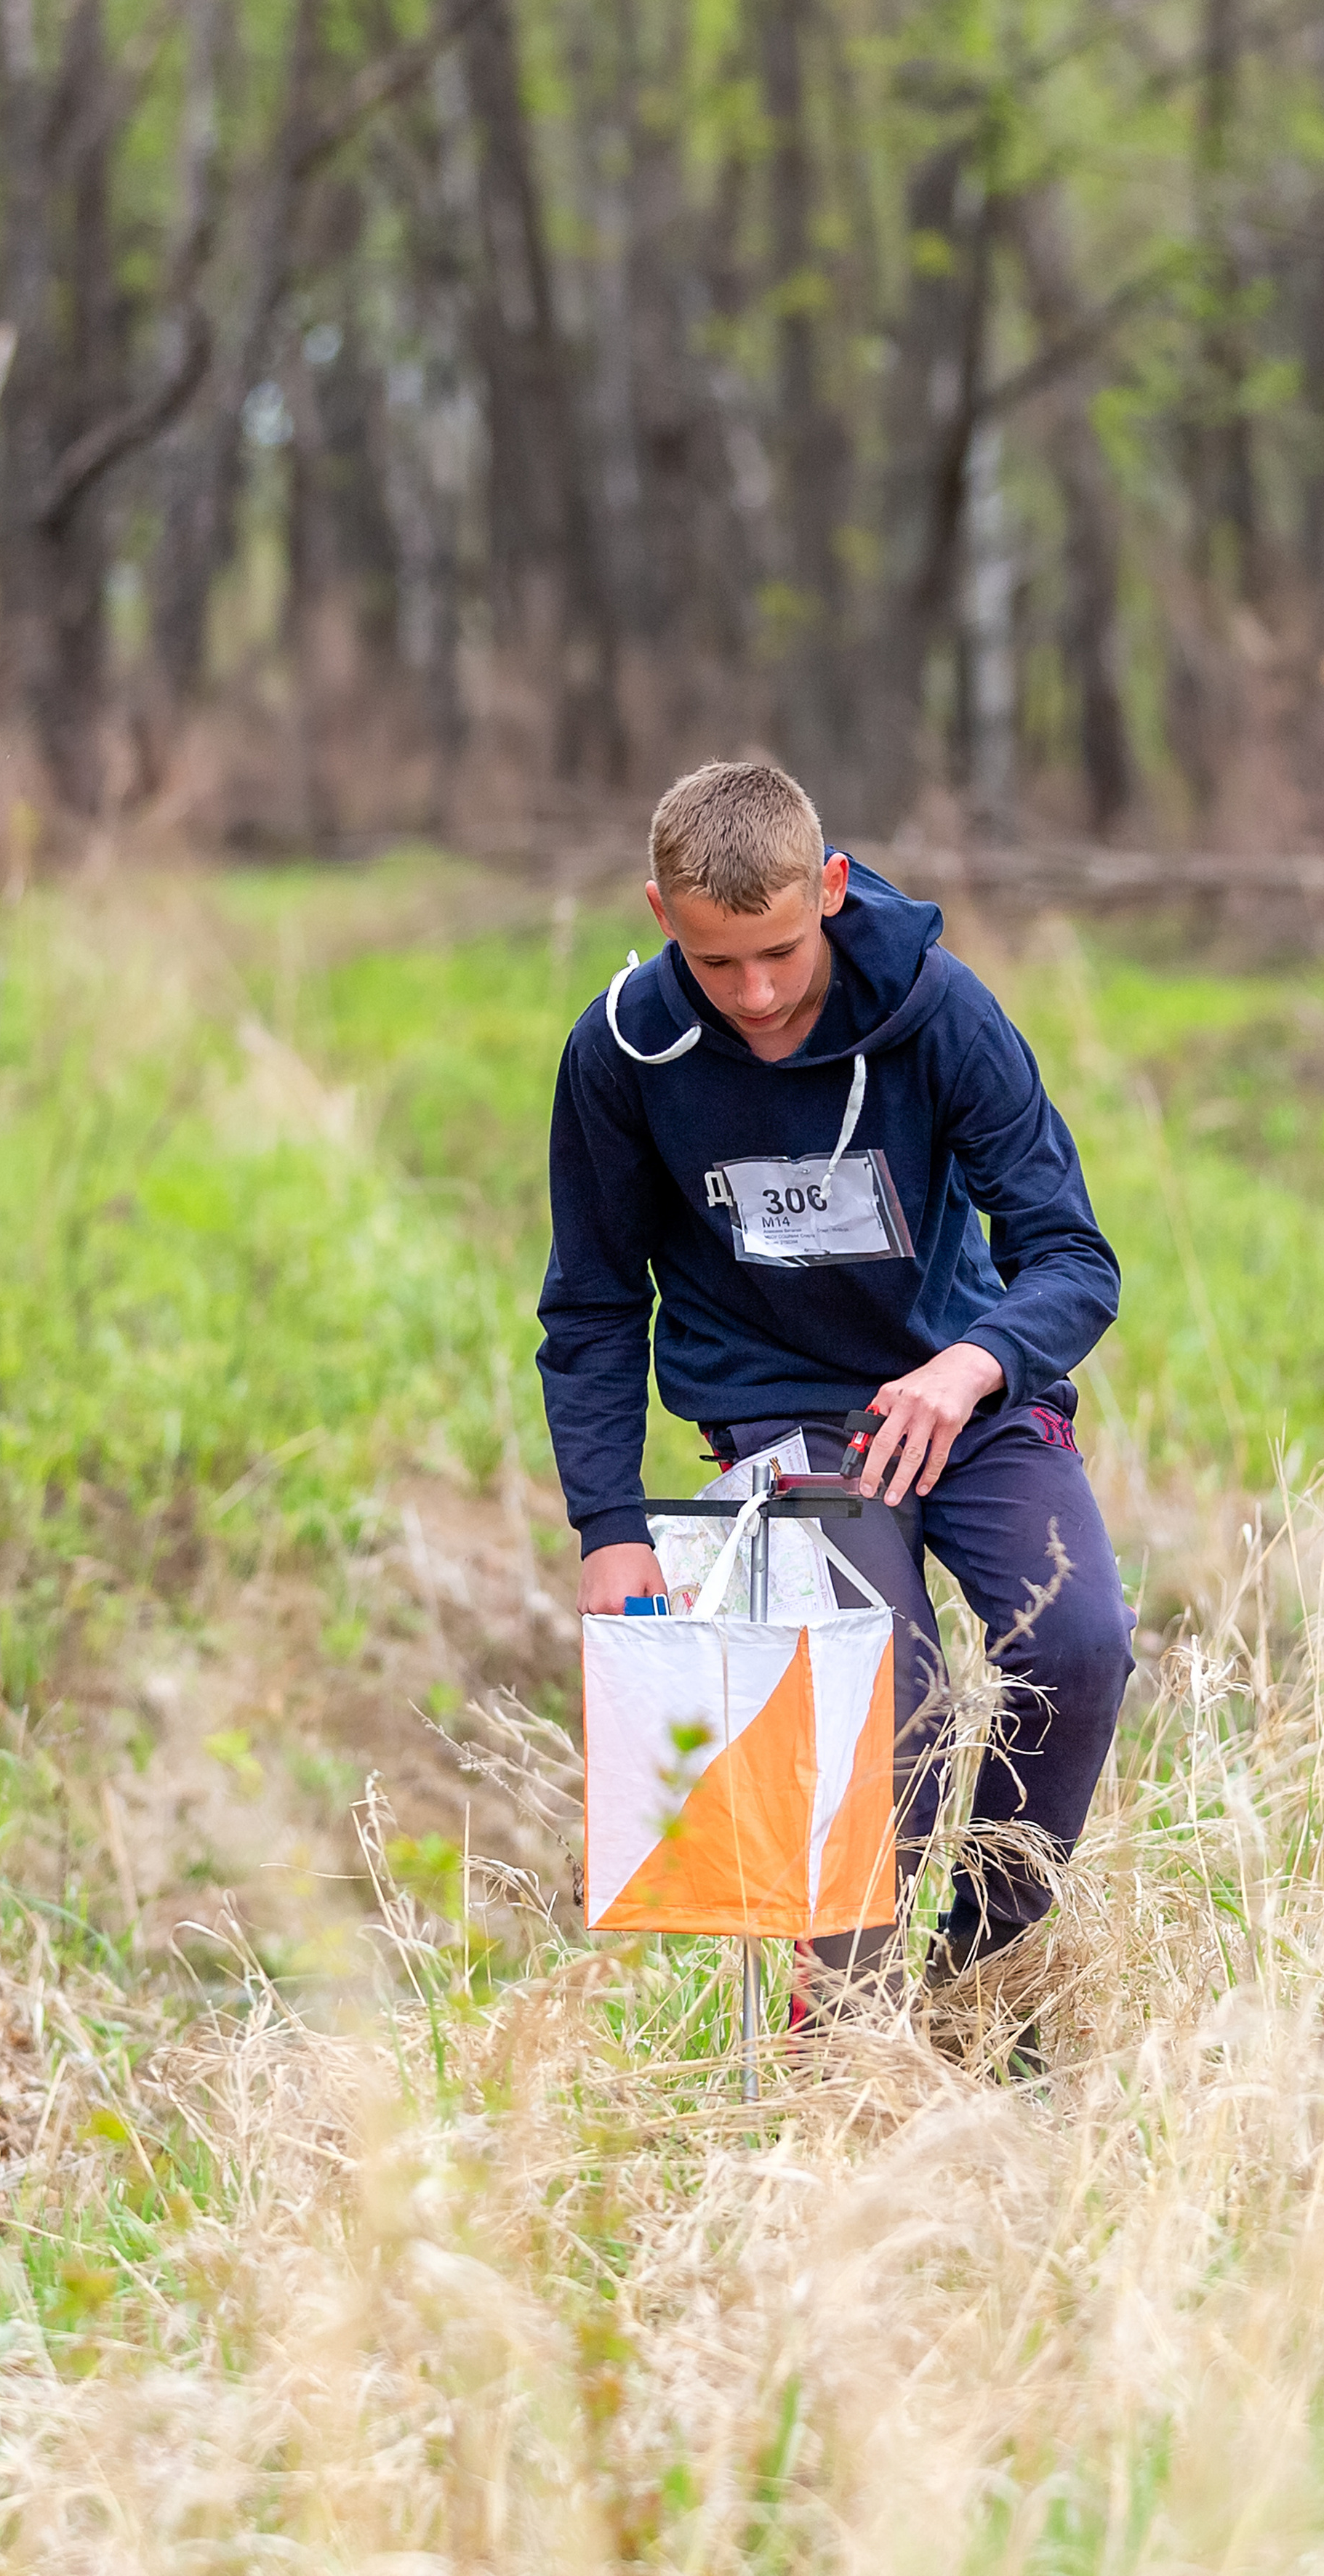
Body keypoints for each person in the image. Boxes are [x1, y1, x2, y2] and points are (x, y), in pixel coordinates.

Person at [537, 758, 1134, 2026]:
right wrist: (608, 1525)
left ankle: (979, 1983)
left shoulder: (941, 1011)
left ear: (832, 888)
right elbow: (592, 1305)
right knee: (884, 1701)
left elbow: (1074, 1258)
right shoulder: (621, 1053)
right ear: (660, 914)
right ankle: (850, 2033)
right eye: (717, 963)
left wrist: (972, 1363)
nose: (755, 995)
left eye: (780, 954)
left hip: (964, 1394)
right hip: (781, 1414)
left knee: (1079, 1646)